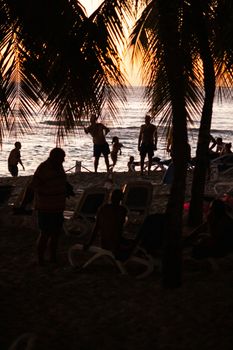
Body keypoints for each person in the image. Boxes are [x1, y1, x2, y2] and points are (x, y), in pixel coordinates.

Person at [31, 147, 69, 265]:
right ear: (54, 157)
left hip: (58, 207)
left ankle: (53, 257)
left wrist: (67, 188)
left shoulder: (58, 167)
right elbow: (33, 185)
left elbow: (61, 180)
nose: (63, 160)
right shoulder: (43, 168)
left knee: (56, 234)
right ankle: (41, 259)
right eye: (62, 158)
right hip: (45, 207)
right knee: (45, 234)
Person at [84, 189, 134, 261]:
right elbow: (118, 230)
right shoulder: (122, 210)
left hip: (104, 243)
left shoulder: (103, 208)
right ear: (121, 198)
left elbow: (96, 227)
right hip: (114, 245)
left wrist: (89, 243)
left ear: (111, 197)